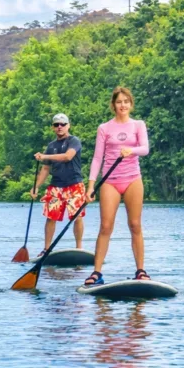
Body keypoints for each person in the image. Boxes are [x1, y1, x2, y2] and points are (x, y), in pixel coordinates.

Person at [83, 87, 151, 286]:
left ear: (131, 104)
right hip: (110, 181)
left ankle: (140, 270)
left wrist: (131, 150)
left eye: (126, 101)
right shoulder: (104, 128)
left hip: (133, 179)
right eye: (119, 102)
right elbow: (97, 158)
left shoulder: (138, 125)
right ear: (113, 105)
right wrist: (91, 186)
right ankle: (96, 272)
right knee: (105, 226)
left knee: (135, 225)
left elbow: (145, 149)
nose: (123, 105)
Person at [30, 112, 85, 256]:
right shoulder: (51, 146)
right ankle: (47, 249)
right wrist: (36, 186)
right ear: (53, 127)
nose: (60, 127)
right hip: (56, 185)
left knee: (77, 216)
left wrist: (44, 156)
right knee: (51, 217)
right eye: (56, 125)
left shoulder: (74, 141)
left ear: (68, 126)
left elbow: (68, 157)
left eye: (63, 124)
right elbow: (46, 168)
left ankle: (79, 248)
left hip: (74, 184)